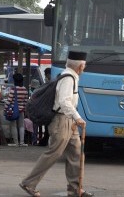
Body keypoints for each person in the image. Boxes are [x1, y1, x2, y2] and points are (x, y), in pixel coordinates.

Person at [19, 51, 94, 197]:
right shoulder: (68, 78)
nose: (84, 68)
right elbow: (64, 101)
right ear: (79, 66)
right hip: (62, 121)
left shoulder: (71, 76)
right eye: (83, 65)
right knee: (54, 153)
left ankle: (75, 189)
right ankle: (28, 183)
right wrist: (77, 117)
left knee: (76, 154)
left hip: (68, 121)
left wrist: (74, 119)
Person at [5, 73, 29, 147]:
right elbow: (25, 101)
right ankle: (22, 142)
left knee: (13, 126)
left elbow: (9, 100)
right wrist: (23, 108)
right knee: (21, 126)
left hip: (13, 110)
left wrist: (5, 108)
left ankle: (16, 143)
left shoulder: (13, 89)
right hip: (21, 111)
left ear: (15, 81)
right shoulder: (25, 89)